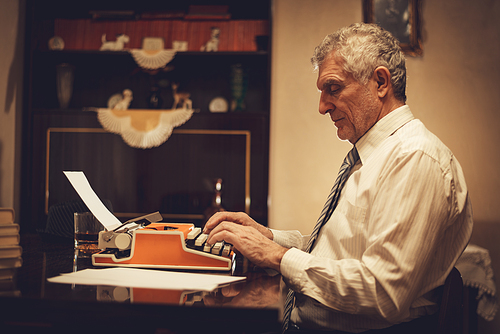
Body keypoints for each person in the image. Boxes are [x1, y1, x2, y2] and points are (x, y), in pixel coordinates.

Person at [204, 23, 473, 333]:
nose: (322, 107)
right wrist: (269, 238)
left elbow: (382, 292)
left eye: (333, 88)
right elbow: (343, 252)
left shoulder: (415, 158)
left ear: (380, 82)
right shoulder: (376, 155)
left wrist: (278, 257)